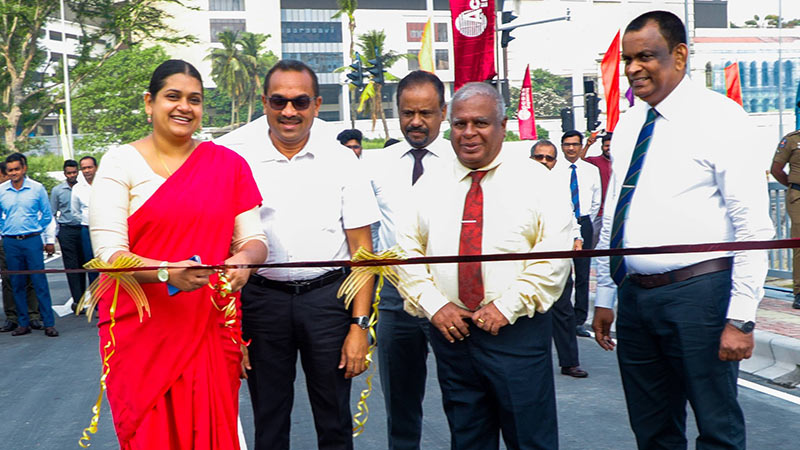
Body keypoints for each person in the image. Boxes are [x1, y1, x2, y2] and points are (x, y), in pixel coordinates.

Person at [592, 11, 775, 450]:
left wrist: (741, 317)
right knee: (652, 429)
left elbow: (752, 225)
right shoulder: (629, 124)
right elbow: (615, 212)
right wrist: (605, 295)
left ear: (678, 55)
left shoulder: (721, 118)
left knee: (716, 427)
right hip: (636, 298)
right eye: (627, 59)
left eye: (645, 56)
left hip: (700, 297)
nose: (633, 68)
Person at [89, 59, 267, 449]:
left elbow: (254, 239)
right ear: (149, 102)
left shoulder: (228, 165)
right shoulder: (120, 162)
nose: (184, 107)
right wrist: (166, 272)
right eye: (173, 96)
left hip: (209, 325)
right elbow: (108, 254)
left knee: (213, 432)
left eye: (194, 99)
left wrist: (246, 261)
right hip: (141, 333)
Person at [397, 82, 573, 450]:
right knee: (468, 439)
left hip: (517, 334)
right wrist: (436, 306)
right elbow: (406, 253)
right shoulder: (429, 184)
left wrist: (505, 308)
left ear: (503, 125)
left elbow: (554, 256)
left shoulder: (537, 180)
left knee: (531, 440)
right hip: (453, 336)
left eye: (480, 123)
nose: (469, 133)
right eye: (460, 124)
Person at [216, 60, 378, 450]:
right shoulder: (236, 159)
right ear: (264, 102)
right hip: (262, 301)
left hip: (328, 301)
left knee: (334, 419)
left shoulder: (342, 160)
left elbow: (363, 253)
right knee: (269, 419)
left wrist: (359, 327)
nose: (289, 111)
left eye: (300, 101)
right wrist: (231, 328)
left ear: (317, 105)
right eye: (279, 101)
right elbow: (223, 247)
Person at [361, 70, 455, 449]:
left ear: (443, 112)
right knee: (400, 402)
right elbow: (366, 232)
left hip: (450, 294)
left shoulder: (462, 159)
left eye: (426, 113)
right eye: (407, 113)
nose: (416, 122)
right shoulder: (376, 164)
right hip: (395, 297)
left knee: (463, 397)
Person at [530, 139, 588, 378]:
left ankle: (570, 362)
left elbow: (570, 215)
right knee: (531, 314)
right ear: (531, 158)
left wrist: (577, 237)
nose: (544, 161)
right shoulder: (517, 185)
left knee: (563, 311)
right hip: (529, 261)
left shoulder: (560, 184)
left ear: (555, 162)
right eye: (539, 157)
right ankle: (533, 363)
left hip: (558, 258)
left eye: (549, 158)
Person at [0, 152, 57, 337]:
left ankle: (48, 323)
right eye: (10, 170)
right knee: (16, 283)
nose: (14, 173)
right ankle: (23, 323)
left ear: (24, 169)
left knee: (39, 282)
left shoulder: (37, 188)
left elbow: (47, 215)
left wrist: (35, 229)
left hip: (32, 240)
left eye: (17, 169)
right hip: (11, 242)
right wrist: (5, 229)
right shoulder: (1, 191)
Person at [558, 130, 601, 337]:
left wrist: (583, 223)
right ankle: (561, 317)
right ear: (562, 146)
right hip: (561, 223)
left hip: (584, 221)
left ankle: (579, 320)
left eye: (575, 144)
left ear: (581, 145)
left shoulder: (591, 170)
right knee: (561, 272)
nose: (571, 148)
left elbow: (596, 201)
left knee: (583, 274)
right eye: (567, 144)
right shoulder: (555, 170)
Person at [0, 161, 41, 332]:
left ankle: (33, 315)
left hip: (25, 238)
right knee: (9, 280)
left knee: (31, 278)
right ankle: (12, 317)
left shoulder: (32, 189)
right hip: (6, 240)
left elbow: (41, 214)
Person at [51, 159, 87, 309]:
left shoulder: (84, 188)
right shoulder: (57, 190)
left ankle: (89, 299)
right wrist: (53, 236)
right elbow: (52, 213)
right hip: (67, 230)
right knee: (72, 267)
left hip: (83, 229)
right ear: (64, 174)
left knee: (85, 264)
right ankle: (77, 301)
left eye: (74, 172)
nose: (72, 175)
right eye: (69, 173)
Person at [770, 129, 800, 309]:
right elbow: (776, 169)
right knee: (799, 244)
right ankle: (799, 291)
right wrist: (792, 184)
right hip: (798, 197)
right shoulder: (792, 139)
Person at [581, 132, 613, 247]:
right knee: (591, 244)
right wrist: (588, 145)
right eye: (606, 145)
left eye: (611, 145)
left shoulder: (622, 162)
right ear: (602, 147)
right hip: (599, 213)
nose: (609, 148)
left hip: (615, 212)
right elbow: (579, 161)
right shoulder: (595, 161)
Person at [72, 156, 98, 284]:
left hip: (105, 230)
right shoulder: (77, 188)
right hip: (87, 230)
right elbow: (75, 212)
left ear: (96, 168)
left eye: (89, 167)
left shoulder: (106, 184)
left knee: (109, 262)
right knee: (91, 264)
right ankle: (96, 295)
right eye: (84, 168)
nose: (87, 171)